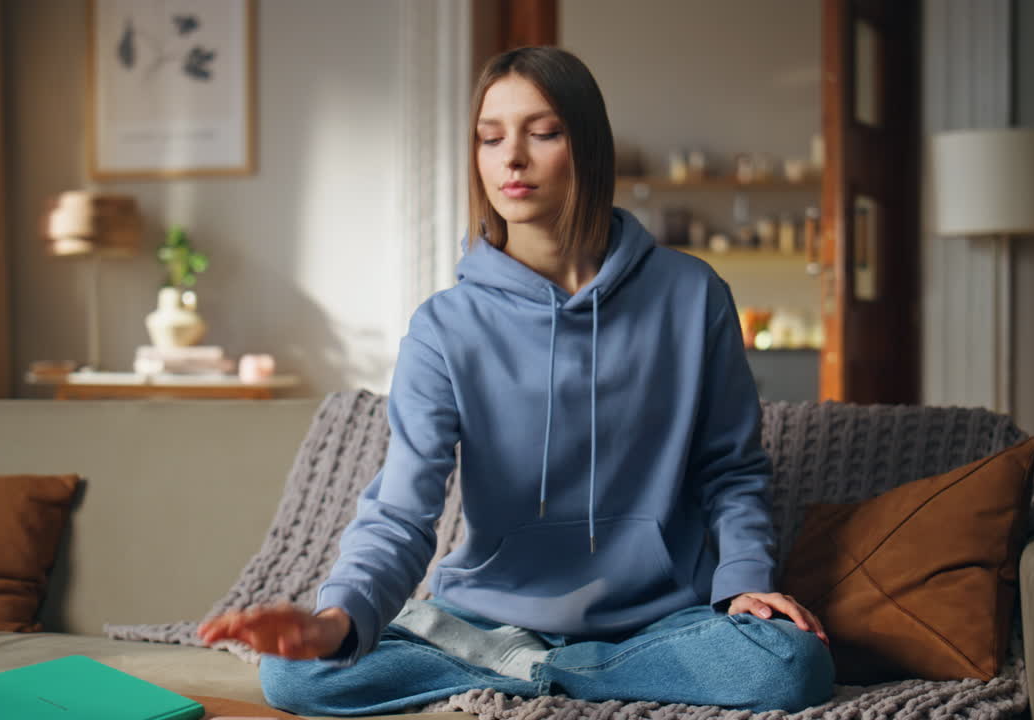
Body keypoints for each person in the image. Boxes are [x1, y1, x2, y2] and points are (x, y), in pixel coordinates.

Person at [200, 46, 835, 716]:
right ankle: (563, 668)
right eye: (490, 137)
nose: (512, 158)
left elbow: (730, 469)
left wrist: (744, 582)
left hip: (657, 618)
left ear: (587, 144)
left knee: (789, 666)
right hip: (485, 622)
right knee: (297, 677)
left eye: (543, 132)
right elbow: (401, 507)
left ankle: (542, 671)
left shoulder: (691, 295)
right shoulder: (446, 327)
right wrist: (336, 619)